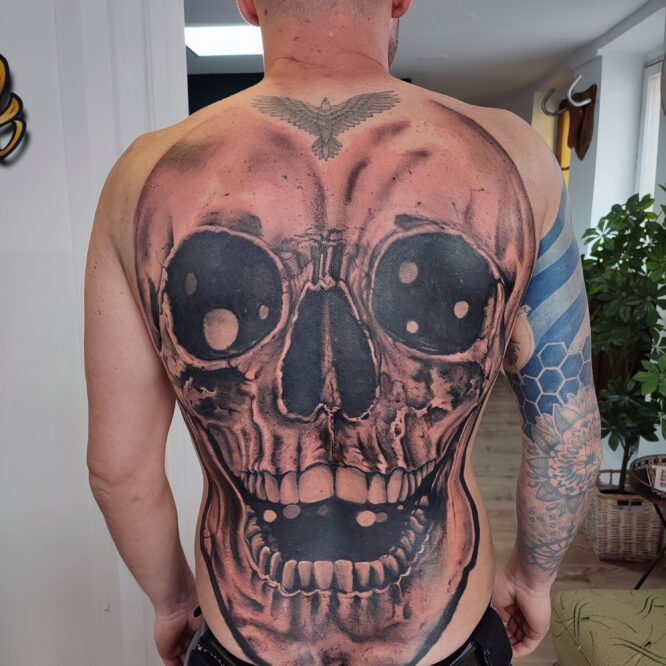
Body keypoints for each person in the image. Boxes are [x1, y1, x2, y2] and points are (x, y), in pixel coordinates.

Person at [84, 1, 602, 664]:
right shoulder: (514, 158)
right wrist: (533, 578)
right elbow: (566, 434)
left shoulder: (141, 178)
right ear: (401, 0)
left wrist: (171, 601)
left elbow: (119, 470)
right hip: (447, 643)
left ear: (247, 3)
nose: (329, 392)